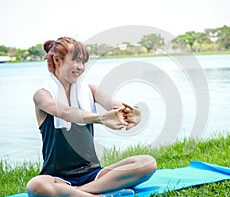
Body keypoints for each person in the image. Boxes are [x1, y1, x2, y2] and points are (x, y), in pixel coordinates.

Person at [26, 37, 157, 197]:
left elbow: (117, 107)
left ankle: (79, 193)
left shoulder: (91, 91)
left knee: (147, 163)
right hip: (57, 178)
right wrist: (100, 118)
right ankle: (103, 192)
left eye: (83, 62)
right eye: (76, 61)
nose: (80, 67)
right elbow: (66, 112)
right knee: (36, 186)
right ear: (58, 60)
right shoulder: (42, 96)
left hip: (93, 175)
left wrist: (134, 112)